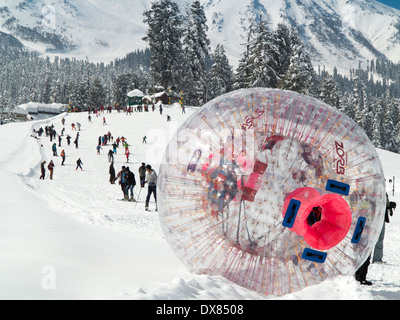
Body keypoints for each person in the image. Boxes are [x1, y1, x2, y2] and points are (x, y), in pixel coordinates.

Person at [373, 192, 396, 263]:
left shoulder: (382, 190)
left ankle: (377, 258)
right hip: (373, 217)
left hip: (381, 216)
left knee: (380, 237)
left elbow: (385, 201)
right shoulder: (373, 189)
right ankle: (372, 259)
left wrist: (389, 206)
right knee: (371, 238)